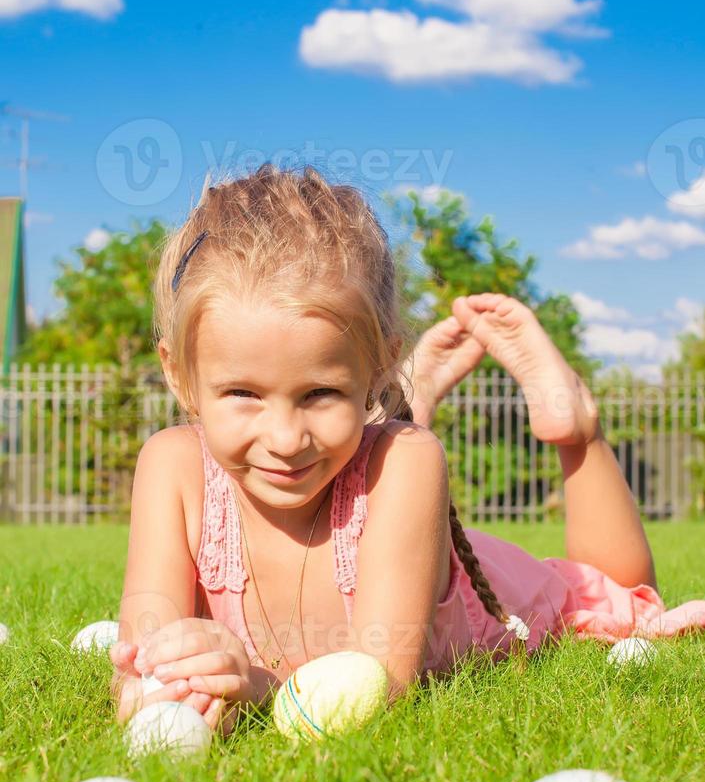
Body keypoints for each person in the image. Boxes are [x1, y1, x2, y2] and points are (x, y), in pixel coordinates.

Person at [110, 164, 705, 737]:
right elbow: (139, 660)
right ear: (180, 376)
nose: (285, 439)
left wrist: (253, 686)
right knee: (379, 448)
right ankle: (395, 401)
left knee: (612, 594)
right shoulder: (172, 468)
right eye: (242, 393)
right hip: (384, 499)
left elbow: (383, 680)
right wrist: (160, 684)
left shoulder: (410, 465)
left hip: (478, 587)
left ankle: (576, 430)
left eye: (321, 392)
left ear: (374, 368)